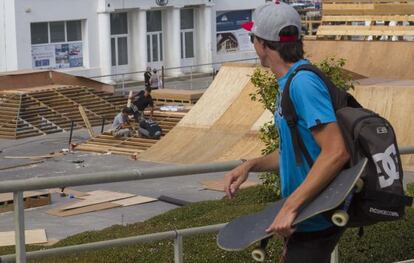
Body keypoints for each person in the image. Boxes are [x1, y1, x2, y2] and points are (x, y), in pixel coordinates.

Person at [223, 2, 350, 263]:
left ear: (263, 44)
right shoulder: (290, 81)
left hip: (313, 216)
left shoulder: (302, 83)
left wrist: (289, 208)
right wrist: (251, 165)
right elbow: (295, 152)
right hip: (303, 219)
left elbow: (336, 151)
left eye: (252, 38)